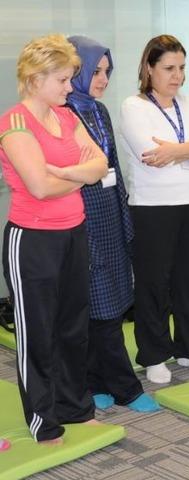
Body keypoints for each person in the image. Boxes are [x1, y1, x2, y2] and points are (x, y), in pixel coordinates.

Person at [0, 34, 108, 443]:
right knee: (37, 333)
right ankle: (43, 418)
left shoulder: (66, 117)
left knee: (72, 328)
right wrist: (77, 175)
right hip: (32, 240)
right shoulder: (14, 122)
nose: (69, 87)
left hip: (73, 233)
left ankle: (76, 408)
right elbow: (37, 188)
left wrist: (62, 173)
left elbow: (99, 163)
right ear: (34, 78)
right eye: (63, 80)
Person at [119, 35, 189, 384]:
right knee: (153, 283)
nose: (176, 76)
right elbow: (151, 154)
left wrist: (178, 150)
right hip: (152, 206)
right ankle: (154, 354)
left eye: (181, 68)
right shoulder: (134, 106)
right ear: (149, 68)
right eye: (168, 68)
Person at [66, 35, 158, 412]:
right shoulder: (64, 113)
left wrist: (125, 217)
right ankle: (126, 387)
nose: (103, 79)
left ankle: (94, 382)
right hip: (80, 217)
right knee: (96, 307)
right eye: (96, 71)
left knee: (109, 303)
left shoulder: (98, 111)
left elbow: (115, 170)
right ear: (76, 71)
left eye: (107, 71)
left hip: (109, 214)